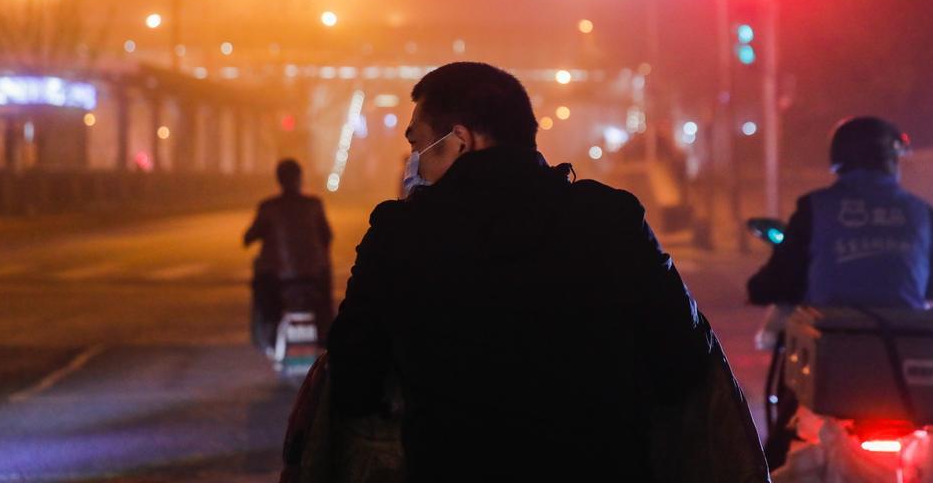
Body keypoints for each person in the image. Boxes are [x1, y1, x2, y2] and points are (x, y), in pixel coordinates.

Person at [327, 62, 763, 481]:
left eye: (416, 144)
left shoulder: (399, 236)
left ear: (460, 139)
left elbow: (352, 382)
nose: (413, 162)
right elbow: (684, 363)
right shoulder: (610, 218)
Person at [746, 116, 933, 468]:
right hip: (907, 368)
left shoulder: (816, 208)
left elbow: (780, 280)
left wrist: (758, 289)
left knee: (777, 457)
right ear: (890, 161)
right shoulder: (923, 213)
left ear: (840, 160)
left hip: (831, 363)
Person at [244, 159, 333, 351]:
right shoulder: (314, 205)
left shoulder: (269, 207)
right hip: (313, 276)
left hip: (278, 277)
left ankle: (267, 338)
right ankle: (326, 336)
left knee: (263, 298)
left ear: (279, 179)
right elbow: (327, 236)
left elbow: (249, 236)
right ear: (300, 178)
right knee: (325, 293)